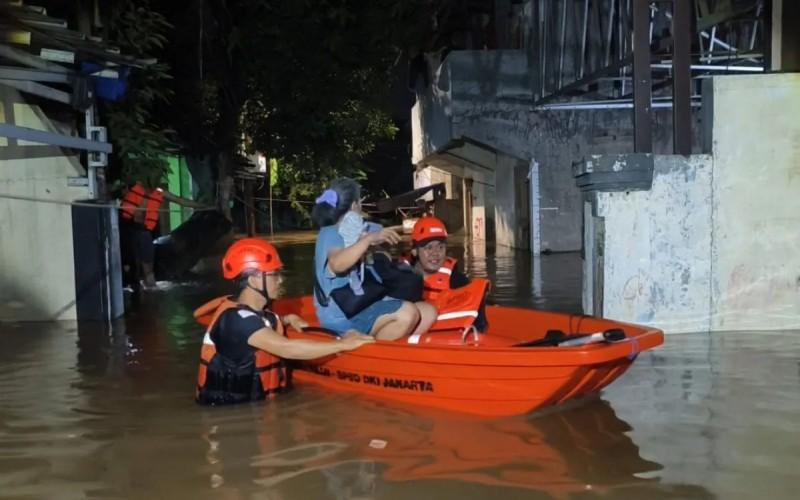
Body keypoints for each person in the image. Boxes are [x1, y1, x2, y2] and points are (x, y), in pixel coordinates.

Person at [196, 238, 374, 406]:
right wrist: (343, 344)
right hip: (231, 414)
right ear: (253, 280)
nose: (280, 280)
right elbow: (287, 348)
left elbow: (259, 324)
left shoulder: (257, 314)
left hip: (258, 405)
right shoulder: (236, 320)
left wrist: (286, 319)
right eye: (274, 274)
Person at [312, 178, 437, 341]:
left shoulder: (362, 231)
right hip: (342, 315)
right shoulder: (330, 233)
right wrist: (367, 241)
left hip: (365, 303)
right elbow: (336, 264)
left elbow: (381, 259)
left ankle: (393, 349)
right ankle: (368, 351)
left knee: (428, 312)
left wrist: (375, 247)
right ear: (354, 206)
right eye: (360, 203)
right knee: (408, 313)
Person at [119, 178, 207, 289]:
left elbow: (180, 200)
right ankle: (135, 287)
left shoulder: (159, 192)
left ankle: (149, 289)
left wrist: (202, 206)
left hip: (144, 233)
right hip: (129, 232)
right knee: (130, 268)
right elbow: (128, 211)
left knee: (147, 269)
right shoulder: (132, 189)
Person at [405, 216, 489, 332]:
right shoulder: (400, 276)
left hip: (445, 338)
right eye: (428, 247)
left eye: (440, 247)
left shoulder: (457, 280)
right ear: (414, 250)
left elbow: (476, 315)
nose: (435, 253)